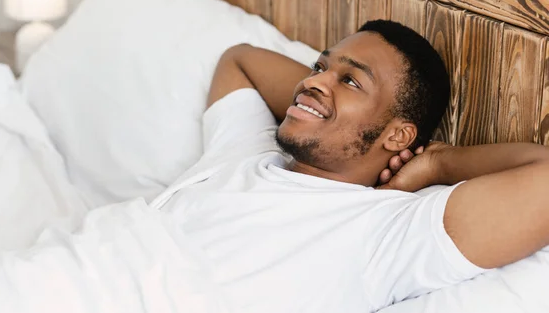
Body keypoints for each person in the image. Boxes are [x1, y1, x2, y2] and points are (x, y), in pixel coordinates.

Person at [156, 20, 549, 312]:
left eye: (352, 81)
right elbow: (240, 59)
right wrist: (324, 100)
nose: (314, 81)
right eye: (318, 67)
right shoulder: (248, 149)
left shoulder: (384, 230)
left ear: (398, 137)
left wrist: (437, 165)